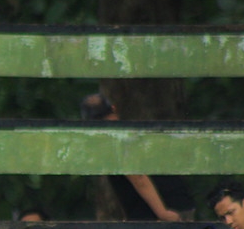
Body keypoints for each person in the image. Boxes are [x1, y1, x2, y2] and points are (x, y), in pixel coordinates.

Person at [80, 93, 195, 221]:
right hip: (178, 203)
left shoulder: (113, 138)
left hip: (163, 212)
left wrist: (162, 213)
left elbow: (138, 178)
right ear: (113, 108)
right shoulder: (130, 132)